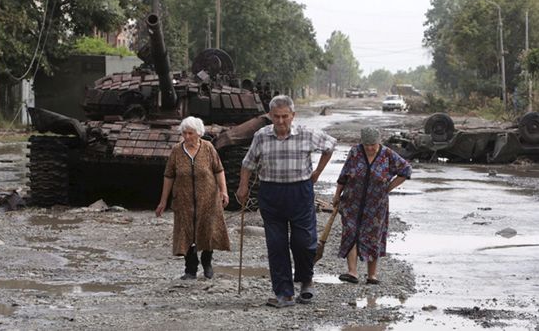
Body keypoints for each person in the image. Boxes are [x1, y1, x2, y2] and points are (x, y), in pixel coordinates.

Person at [236, 95, 337, 308]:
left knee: (304, 241)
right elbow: (248, 163)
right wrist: (243, 186)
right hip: (271, 194)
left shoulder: (306, 134)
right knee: (276, 244)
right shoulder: (261, 136)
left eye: (285, 117)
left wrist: (317, 172)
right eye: (276, 117)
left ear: (293, 116)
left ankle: (306, 281)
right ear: (270, 116)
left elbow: (330, 145)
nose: (281, 122)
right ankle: (284, 293)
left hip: (300, 192)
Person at [332, 126, 411, 285]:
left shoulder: (387, 154)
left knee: (373, 237)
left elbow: (406, 170)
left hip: (376, 205)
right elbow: (344, 174)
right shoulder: (355, 152)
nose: (369, 148)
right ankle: (352, 272)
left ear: (379, 142)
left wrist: (388, 187)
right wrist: (337, 195)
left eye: (372, 145)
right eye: (366, 144)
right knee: (350, 233)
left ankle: (372, 275)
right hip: (352, 201)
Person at [155, 116, 230, 280]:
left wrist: (223, 191)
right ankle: (190, 269)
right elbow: (169, 176)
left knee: (208, 230)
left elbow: (219, 170)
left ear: (199, 133)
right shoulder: (176, 150)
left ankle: (207, 263)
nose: (187, 137)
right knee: (185, 232)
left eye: (190, 133)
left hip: (208, 199)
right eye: (184, 133)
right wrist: (163, 201)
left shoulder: (208, 148)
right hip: (183, 199)